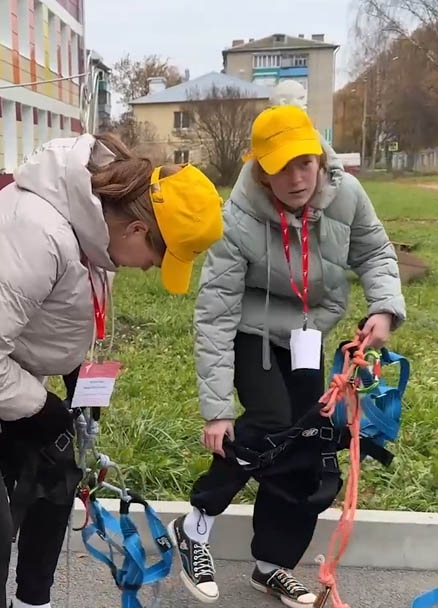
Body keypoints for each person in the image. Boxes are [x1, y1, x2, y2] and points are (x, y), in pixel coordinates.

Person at [0, 132, 225, 608]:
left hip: (2, 361)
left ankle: (34, 601)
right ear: (136, 231)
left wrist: (74, 381)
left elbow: (64, 308)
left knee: (55, 475)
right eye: (160, 257)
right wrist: (44, 409)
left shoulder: (97, 220)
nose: (152, 268)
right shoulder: (34, 234)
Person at [167, 105, 407, 606]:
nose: (296, 178)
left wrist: (383, 308)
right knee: (273, 419)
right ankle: (196, 525)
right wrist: (216, 410)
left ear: (320, 157)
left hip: (307, 333)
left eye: (305, 163)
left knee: (309, 441)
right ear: (260, 168)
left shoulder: (348, 197)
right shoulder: (236, 219)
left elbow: (376, 252)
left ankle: (271, 565)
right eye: (280, 167)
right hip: (248, 331)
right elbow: (214, 314)